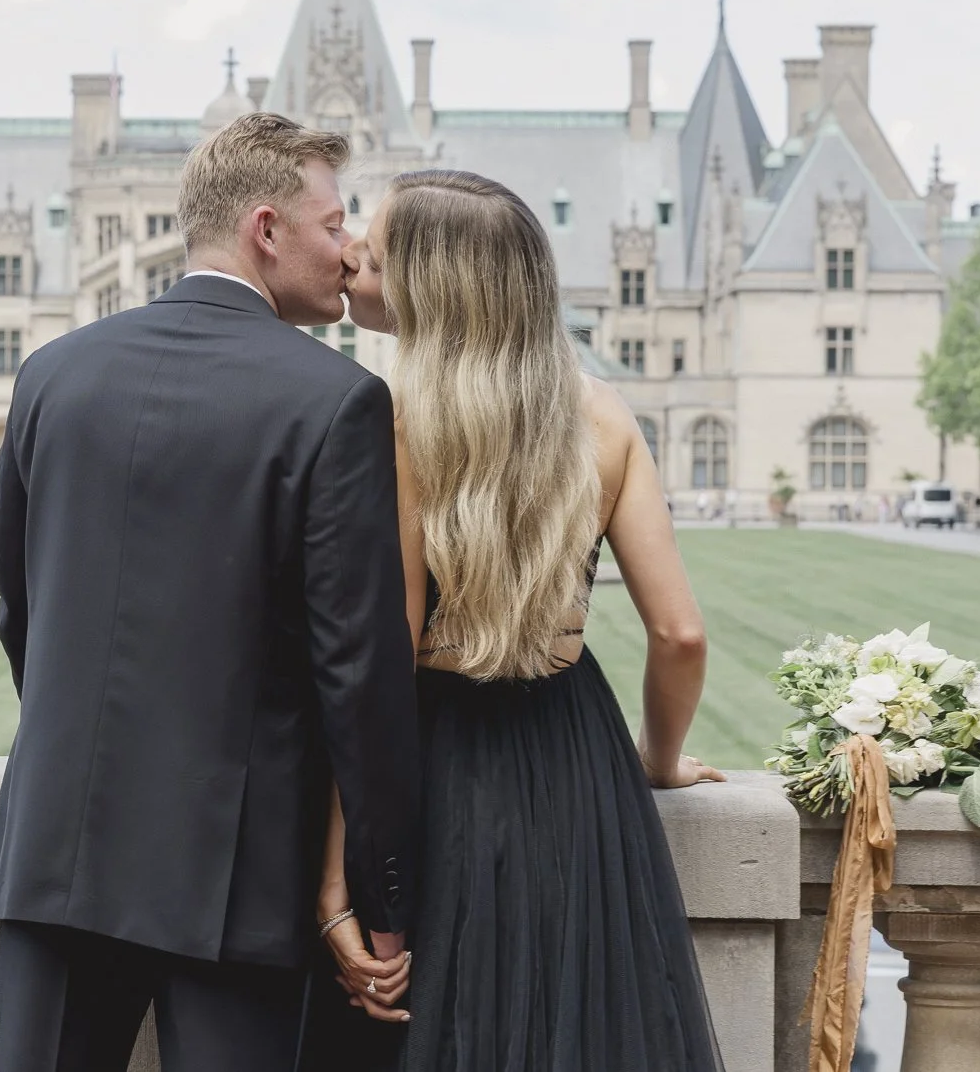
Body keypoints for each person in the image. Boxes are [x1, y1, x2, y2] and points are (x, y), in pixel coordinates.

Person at [0, 114, 421, 1072]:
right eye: (335, 223)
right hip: (237, 878)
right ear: (267, 229)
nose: (348, 252)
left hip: (59, 851)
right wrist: (377, 907)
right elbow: (359, 679)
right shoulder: (335, 400)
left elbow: (21, 616)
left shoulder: (50, 375)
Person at [308, 170, 728, 1071]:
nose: (350, 259)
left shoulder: (400, 421)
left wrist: (338, 881)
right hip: (576, 750)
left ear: (434, 289)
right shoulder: (608, 418)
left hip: (439, 755)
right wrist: (657, 759)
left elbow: (382, 668)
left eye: (372, 256)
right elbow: (681, 634)